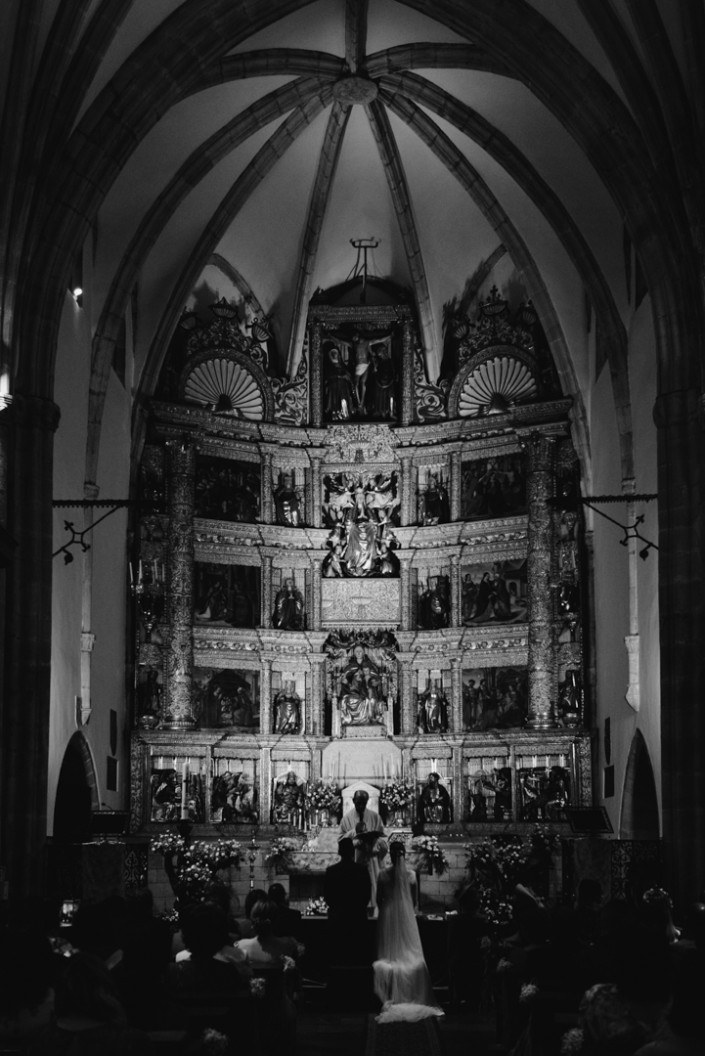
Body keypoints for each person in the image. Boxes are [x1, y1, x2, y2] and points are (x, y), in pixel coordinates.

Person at [373, 841, 444, 1023]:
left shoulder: (382, 874)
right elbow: (413, 902)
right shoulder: (411, 875)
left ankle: (392, 992)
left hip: (388, 914)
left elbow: (378, 900)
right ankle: (412, 992)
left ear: (390, 854)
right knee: (408, 952)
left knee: (389, 953)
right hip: (405, 915)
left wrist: (387, 911)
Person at [323, 836, 372, 964]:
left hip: (337, 918)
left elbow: (328, 897)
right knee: (356, 955)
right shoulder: (362, 870)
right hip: (357, 918)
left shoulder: (331, 871)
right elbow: (367, 895)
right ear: (352, 852)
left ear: (339, 852)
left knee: (337, 956)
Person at [339, 789, 388, 914]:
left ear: (367, 802)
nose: (361, 806)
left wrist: (373, 841)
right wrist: (354, 833)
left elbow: (383, 841)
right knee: (355, 894)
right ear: (353, 800)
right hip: (354, 860)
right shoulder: (346, 818)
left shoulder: (375, 817)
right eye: (358, 803)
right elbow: (341, 840)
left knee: (373, 891)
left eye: (363, 803)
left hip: (372, 860)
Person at [339, 645, 386, 726]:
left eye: (360, 651)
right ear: (353, 653)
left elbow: (376, 678)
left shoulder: (370, 666)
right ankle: (350, 720)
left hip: (367, 691)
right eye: (356, 651)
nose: (358, 653)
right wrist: (346, 682)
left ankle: (371, 719)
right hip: (354, 692)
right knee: (350, 700)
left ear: (364, 652)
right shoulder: (350, 666)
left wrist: (373, 681)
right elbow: (345, 680)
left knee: (371, 701)